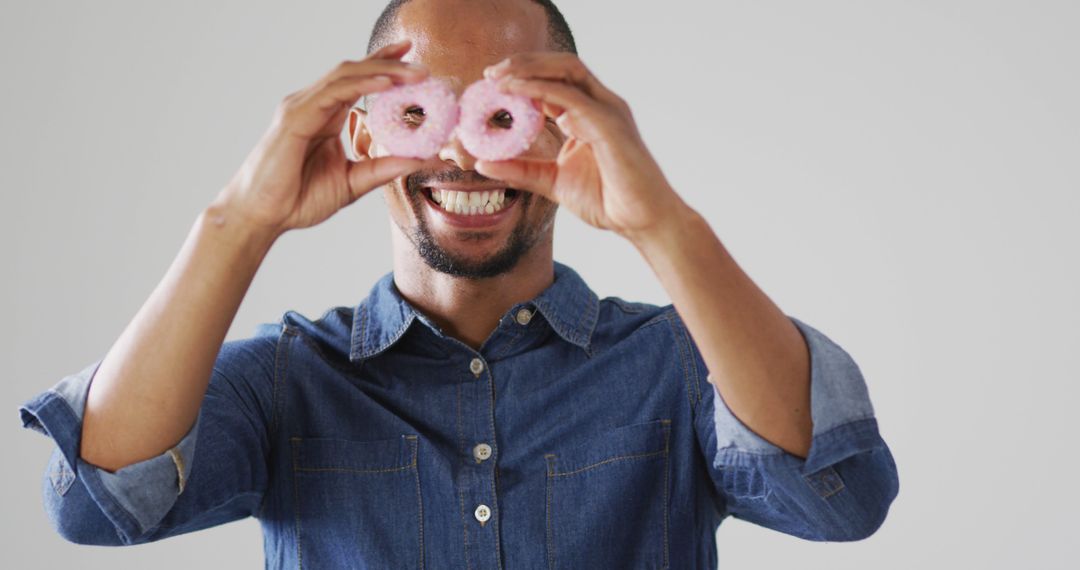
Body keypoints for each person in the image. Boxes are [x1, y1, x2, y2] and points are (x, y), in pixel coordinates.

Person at [18, 0, 899, 568]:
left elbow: (840, 498)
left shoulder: (677, 359)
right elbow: (100, 502)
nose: (465, 151)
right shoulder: (290, 379)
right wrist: (239, 222)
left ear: (570, 129)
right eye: (422, 107)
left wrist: (659, 221)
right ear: (365, 133)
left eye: (507, 111)